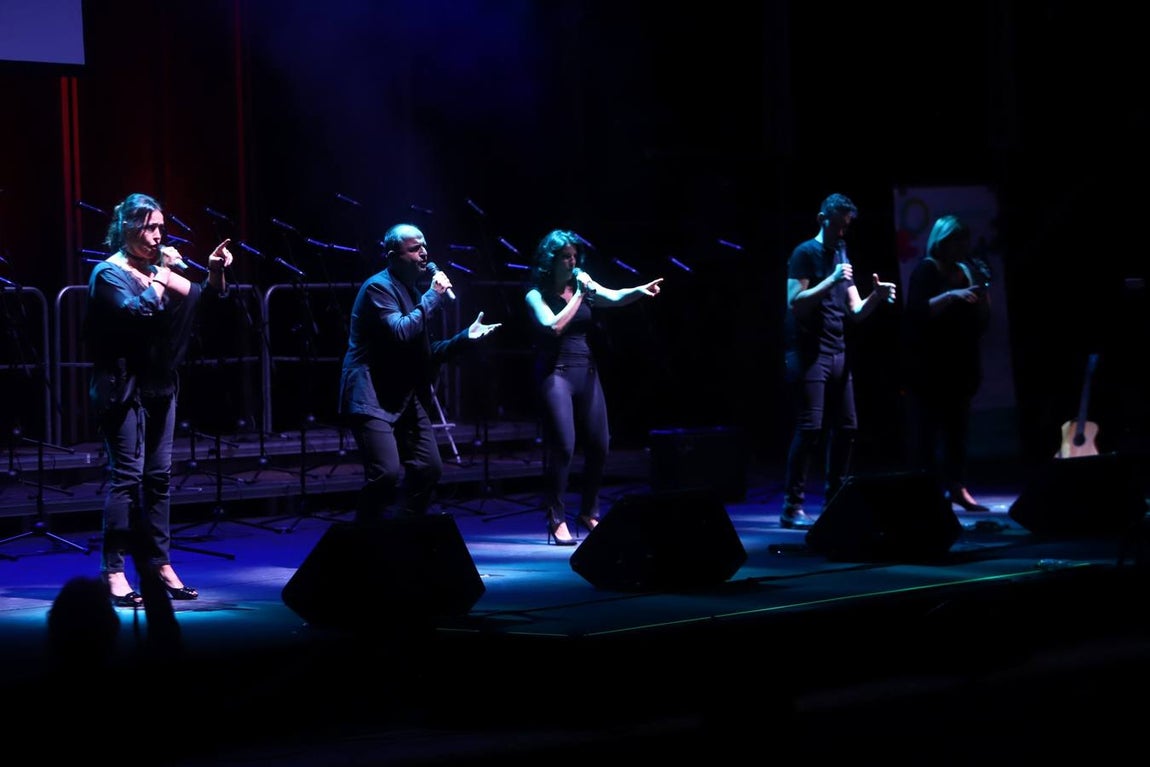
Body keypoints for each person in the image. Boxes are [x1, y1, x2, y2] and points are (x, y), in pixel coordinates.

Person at [86, 192, 234, 606]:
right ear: (128, 228)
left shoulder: (158, 270)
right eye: (149, 228)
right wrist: (161, 275)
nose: (157, 236)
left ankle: (159, 564)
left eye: (160, 229)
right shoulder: (109, 274)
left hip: (160, 384)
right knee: (127, 478)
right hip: (122, 386)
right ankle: (113, 571)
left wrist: (214, 272)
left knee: (158, 479)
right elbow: (139, 311)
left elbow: (207, 301)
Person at [338, 223, 501, 524]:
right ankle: (362, 539)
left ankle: (402, 535)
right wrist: (432, 297)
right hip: (370, 393)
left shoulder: (413, 292)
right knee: (385, 473)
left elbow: (427, 351)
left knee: (428, 467)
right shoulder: (378, 288)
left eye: (424, 245)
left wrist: (466, 337)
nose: (424, 252)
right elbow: (401, 331)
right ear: (392, 255)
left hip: (403, 394)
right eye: (414, 248)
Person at [525, 229, 664, 545]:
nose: (572, 261)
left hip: (586, 370)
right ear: (551, 259)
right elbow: (554, 326)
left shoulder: (581, 284)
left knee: (601, 445)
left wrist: (640, 290)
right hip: (555, 373)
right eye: (565, 256)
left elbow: (613, 297)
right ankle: (556, 517)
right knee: (564, 446)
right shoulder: (535, 294)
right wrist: (578, 295)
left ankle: (588, 511)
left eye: (574, 256)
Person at [781, 193, 897, 529]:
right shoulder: (805, 253)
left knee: (847, 427)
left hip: (837, 349)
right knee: (810, 428)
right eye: (839, 226)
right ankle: (793, 506)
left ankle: (835, 498)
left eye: (847, 227)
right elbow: (795, 303)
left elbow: (855, 310)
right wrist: (831, 278)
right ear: (823, 219)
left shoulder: (842, 253)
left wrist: (876, 295)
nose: (843, 233)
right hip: (808, 351)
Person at [901, 214, 991, 511]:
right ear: (942, 241)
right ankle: (926, 492)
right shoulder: (926, 270)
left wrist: (981, 297)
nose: (961, 247)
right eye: (956, 241)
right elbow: (916, 312)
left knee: (958, 432)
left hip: (961, 363)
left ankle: (957, 487)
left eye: (964, 241)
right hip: (930, 366)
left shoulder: (966, 269)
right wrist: (952, 295)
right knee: (926, 433)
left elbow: (980, 322)